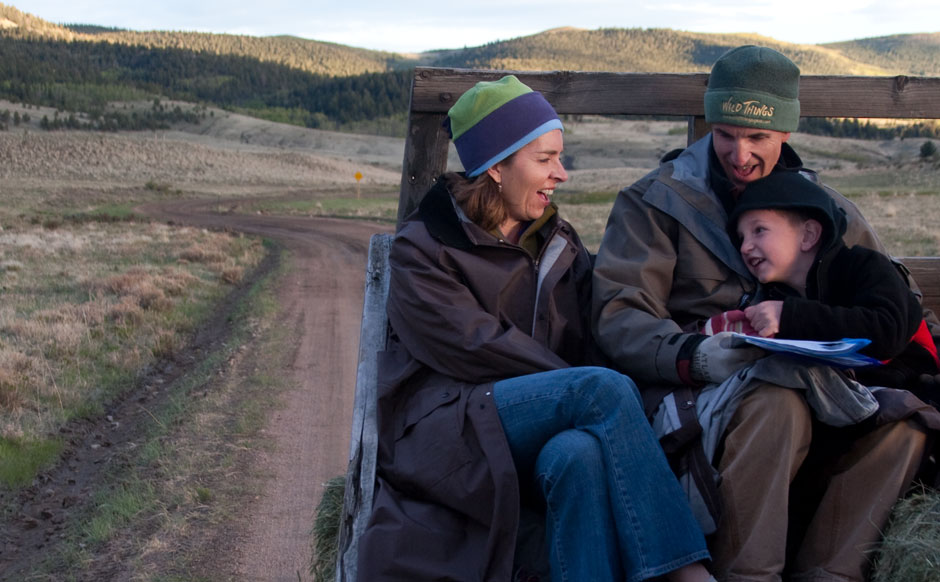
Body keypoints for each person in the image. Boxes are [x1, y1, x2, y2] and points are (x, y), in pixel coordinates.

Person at [592, 45, 938, 582]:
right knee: (778, 401)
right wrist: (698, 355)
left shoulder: (831, 209)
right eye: (725, 133)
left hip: (831, 384)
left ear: (786, 132)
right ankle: (748, 574)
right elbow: (621, 315)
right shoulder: (656, 203)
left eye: (758, 137)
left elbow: (891, 302)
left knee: (907, 422)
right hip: (702, 393)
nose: (739, 153)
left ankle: (829, 574)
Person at [356, 75, 713, 582]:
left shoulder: (557, 244)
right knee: (599, 390)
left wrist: (704, 337)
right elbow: (470, 346)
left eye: (558, 158)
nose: (561, 174)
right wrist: (574, 384)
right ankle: (686, 573)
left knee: (580, 454)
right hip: (450, 426)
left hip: (531, 423)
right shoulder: (424, 248)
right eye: (545, 159)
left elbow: (602, 332)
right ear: (497, 165)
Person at [721, 171, 940, 395]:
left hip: (916, 393)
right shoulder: (774, 298)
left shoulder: (863, 265)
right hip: (845, 406)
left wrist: (789, 317)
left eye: (759, 230)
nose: (745, 247)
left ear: (809, 235)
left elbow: (888, 331)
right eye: (742, 238)